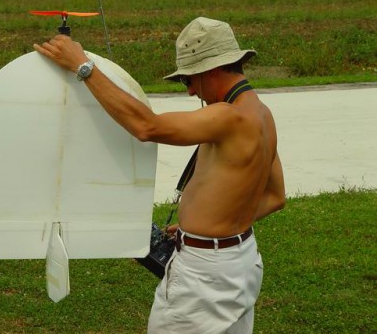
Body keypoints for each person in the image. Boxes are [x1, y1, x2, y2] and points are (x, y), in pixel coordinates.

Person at [34, 17, 285, 333]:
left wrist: (82, 66)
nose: (192, 92)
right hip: (241, 259)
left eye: (188, 80)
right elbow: (276, 197)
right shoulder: (262, 114)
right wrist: (210, 226)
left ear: (210, 69)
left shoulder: (228, 116)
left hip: (205, 274)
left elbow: (146, 126)